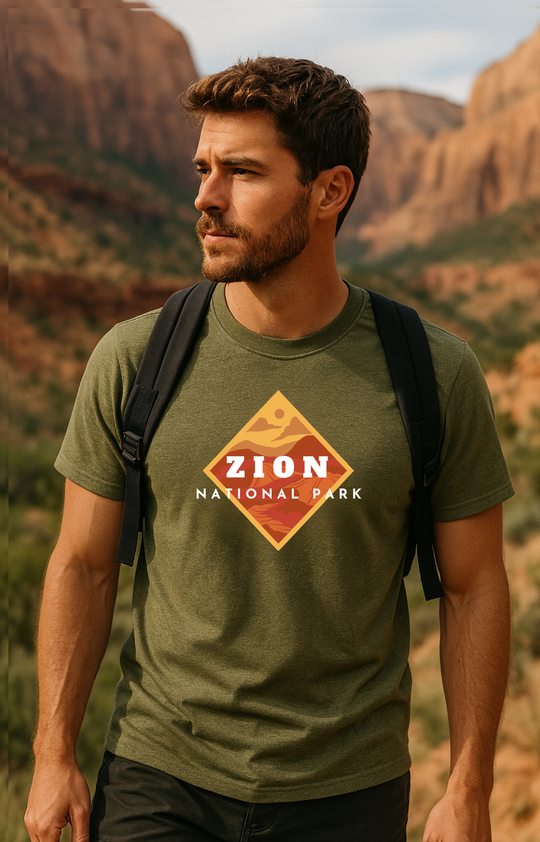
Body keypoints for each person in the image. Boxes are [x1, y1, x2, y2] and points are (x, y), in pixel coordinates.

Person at [25, 57, 513, 842]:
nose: (205, 199)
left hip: (348, 789)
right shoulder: (136, 357)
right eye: (203, 169)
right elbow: (81, 565)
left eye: (242, 172)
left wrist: (470, 788)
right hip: (160, 777)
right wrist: (52, 756)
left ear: (330, 191)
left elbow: (475, 587)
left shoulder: (434, 371)